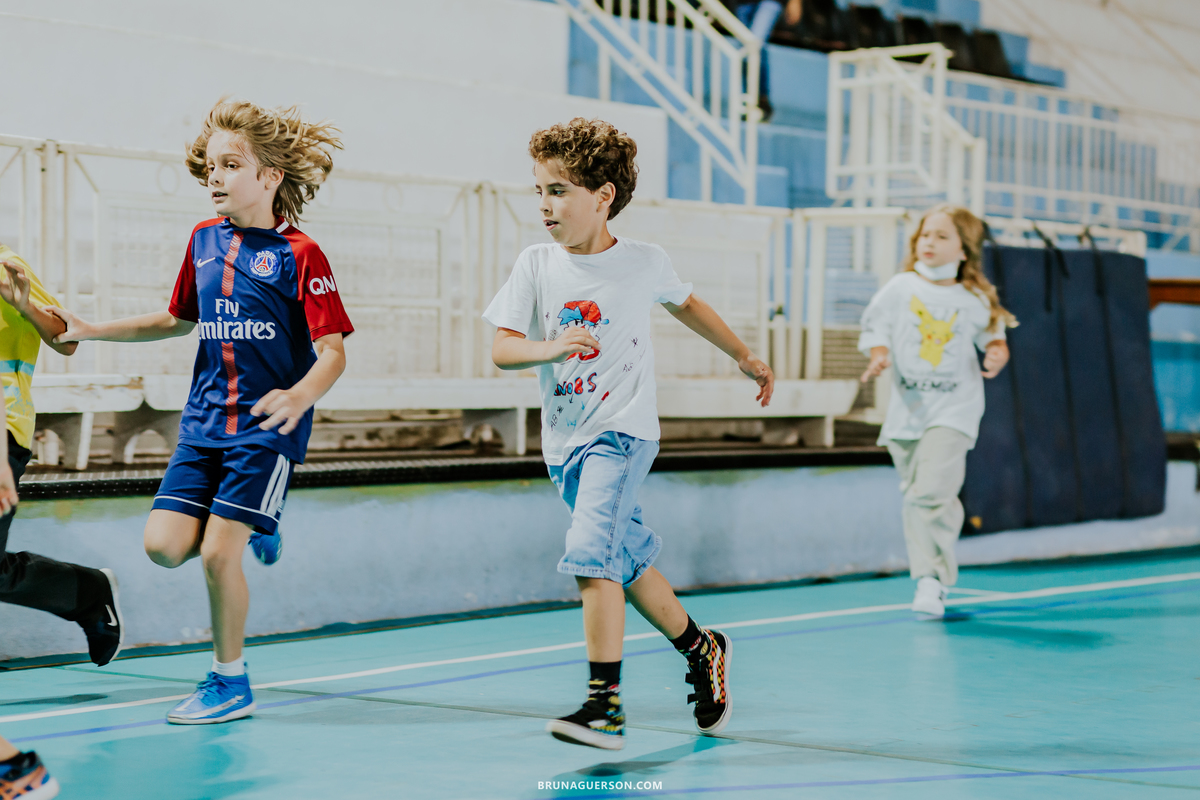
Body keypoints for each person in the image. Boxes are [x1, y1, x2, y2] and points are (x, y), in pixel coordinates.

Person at [50, 99, 354, 725]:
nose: (215, 176)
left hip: (267, 429)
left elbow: (333, 353)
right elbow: (174, 319)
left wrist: (299, 396)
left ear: (270, 177)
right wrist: (92, 327)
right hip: (203, 425)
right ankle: (260, 523)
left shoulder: (302, 255)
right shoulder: (203, 241)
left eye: (231, 164)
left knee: (219, 555)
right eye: (210, 165)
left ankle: (229, 680)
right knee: (163, 547)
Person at [483, 117, 774, 750]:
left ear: (604, 195)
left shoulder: (644, 262)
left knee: (592, 556)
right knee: (626, 560)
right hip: (565, 444)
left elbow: (688, 304)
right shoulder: (535, 264)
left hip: (622, 434)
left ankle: (605, 705)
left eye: (558, 190)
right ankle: (702, 646)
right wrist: (550, 347)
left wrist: (744, 355)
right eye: (539, 190)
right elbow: (503, 351)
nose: (544, 205)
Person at [858, 204, 1016, 619]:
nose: (930, 242)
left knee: (933, 492)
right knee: (917, 496)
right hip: (908, 412)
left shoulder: (974, 298)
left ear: (964, 249)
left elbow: (994, 336)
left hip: (955, 409)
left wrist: (997, 353)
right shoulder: (900, 289)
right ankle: (931, 576)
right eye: (925, 235)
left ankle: (931, 581)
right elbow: (876, 329)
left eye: (942, 236)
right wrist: (878, 355)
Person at [0, 250, 123, 668]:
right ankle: (85, 592)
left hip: (5, 430)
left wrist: (24, 306)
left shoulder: (6, 265)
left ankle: (86, 593)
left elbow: (65, 339)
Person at [730, 0, 803, 121]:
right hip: (742, 3)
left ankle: (761, 100)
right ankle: (750, 99)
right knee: (744, 50)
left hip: (771, 1)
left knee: (756, 44)